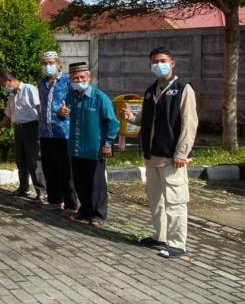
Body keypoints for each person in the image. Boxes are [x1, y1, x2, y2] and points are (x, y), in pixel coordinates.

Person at [122, 47, 198, 259]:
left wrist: (182, 152)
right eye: (154, 62)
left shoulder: (183, 90)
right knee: (156, 200)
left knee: (175, 201)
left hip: (171, 157)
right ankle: (159, 236)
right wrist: (131, 117)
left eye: (162, 60)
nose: (158, 65)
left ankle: (177, 244)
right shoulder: (150, 91)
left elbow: (189, 124)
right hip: (151, 155)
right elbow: (147, 121)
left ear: (172, 63)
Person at [57, 62, 119, 227]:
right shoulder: (71, 96)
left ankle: (98, 215)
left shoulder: (100, 98)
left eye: (82, 77)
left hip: (95, 148)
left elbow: (112, 122)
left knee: (96, 183)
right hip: (76, 148)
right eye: (75, 78)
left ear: (89, 77)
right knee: (80, 181)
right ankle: (84, 210)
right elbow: (63, 114)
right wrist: (60, 113)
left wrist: (107, 144)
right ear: (70, 80)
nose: (79, 80)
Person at [0, 71, 47, 202]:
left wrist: (41, 130)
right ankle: (23, 188)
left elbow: (40, 108)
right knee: (21, 159)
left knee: (35, 161)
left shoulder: (29, 89)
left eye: (2, 84)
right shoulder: (11, 96)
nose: (2, 87)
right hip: (18, 129)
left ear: (8, 80)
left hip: (32, 128)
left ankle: (42, 192)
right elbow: (8, 116)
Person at [37, 51, 77, 212]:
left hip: (63, 131)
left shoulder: (67, 81)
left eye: (51, 63)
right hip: (46, 132)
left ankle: (71, 203)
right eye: (45, 63)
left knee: (65, 169)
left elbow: (76, 100)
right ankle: (55, 200)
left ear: (58, 64)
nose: (48, 66)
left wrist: (68, 111)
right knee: (49, 167)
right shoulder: (41, 83)